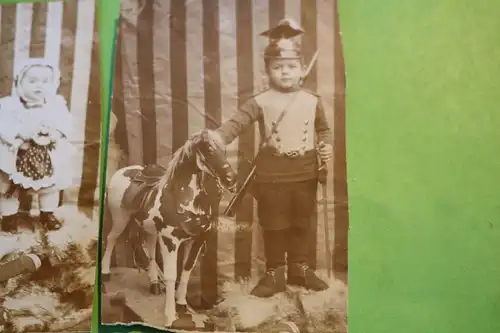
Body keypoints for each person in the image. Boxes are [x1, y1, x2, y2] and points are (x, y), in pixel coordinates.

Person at [215, 18, 333, 298]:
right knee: (274, 224)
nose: (285, 73)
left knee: (301, 222)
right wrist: (219, 137)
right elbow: (237, 122)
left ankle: (300, 268)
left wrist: (326, 146)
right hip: (272, 175)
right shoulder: (261, 100)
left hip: (305, 171)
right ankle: (274, 272)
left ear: (302, 69)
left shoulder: (312, 100)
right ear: (267, 71)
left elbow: (323, 130)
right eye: (278, 67)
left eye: (291, 67)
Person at [0, 58, 74, 233]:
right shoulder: (8, 105)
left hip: (46, 155)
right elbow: (2, 125)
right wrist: (18, 134)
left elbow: (66, 124)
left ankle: (47, 214)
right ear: (19, 82)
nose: (38, 86)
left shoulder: (57, 105)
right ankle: (9, 217)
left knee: (50, 188)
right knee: (10, 188)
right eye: (32, 81)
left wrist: (56, 133)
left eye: (45, 81)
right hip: (17, 155)